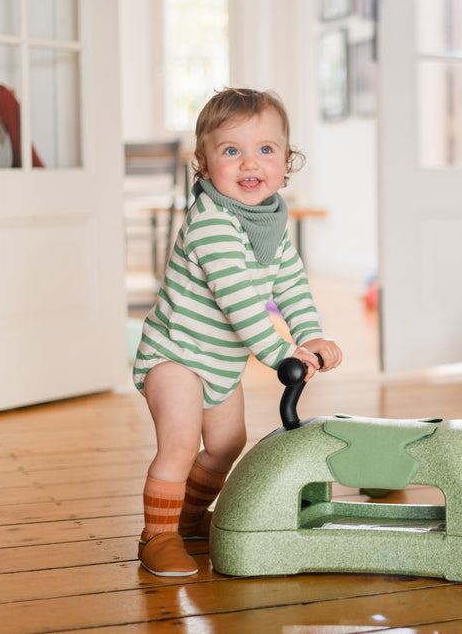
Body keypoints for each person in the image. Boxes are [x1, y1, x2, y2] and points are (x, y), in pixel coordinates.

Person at [132, 88, 343, 576]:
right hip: (176, 355)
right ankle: (156, 536)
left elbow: (289, 281)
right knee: (181, 442)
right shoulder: (211, 224)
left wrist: (310, 334)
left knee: (227, 442)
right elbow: (242, 305)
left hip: (220, 361)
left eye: (265, 150)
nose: (250, 163)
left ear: (286, 161)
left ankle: (186, 519)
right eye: (231, 151)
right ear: (204, 165)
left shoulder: (269, 220)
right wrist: (278, 353)